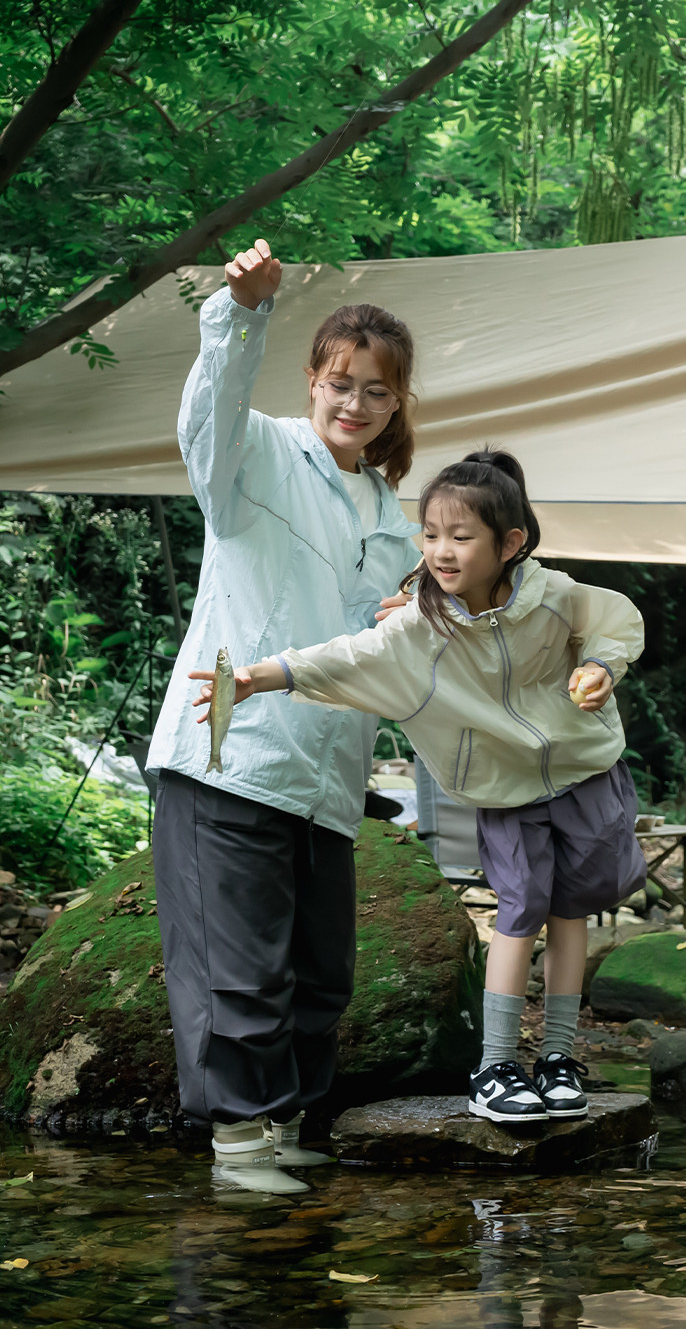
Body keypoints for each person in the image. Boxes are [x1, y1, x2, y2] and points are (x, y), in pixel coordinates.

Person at [191, 450, 647, 1127]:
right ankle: (495, 1065)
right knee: (520, 912)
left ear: (510, 543)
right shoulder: (417, 630)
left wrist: (603, 666)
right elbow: (351, 656)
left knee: (572, 911)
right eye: (430, 534)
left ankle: (557, 1058)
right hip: (504, 791)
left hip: (584, 773)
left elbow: (614, 618)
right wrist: (264, 674)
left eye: (461, 537)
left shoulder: (553, 597)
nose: (441, 550)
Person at [147, 239, 420, 1193]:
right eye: (342, 383)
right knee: (241, 964)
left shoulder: (392, 516)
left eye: (376, 392)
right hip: (228, 754)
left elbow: (367, 650)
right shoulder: (254, 452)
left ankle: (294, 1120)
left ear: (395, 406)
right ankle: (240, 1142)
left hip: (327, 777)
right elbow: (205, 413)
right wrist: (241, 314)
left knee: (317, 970)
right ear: (314, 381)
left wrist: (398, 621)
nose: (355, 404)